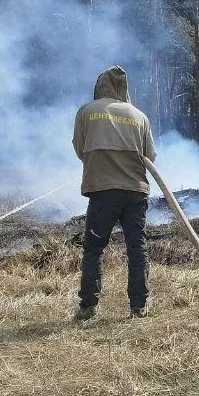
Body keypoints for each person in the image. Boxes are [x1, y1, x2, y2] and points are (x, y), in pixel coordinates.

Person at [72, 66, 157, 321]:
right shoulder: (139, 116)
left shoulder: (87, 111)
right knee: (137, 248)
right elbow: (150, 156)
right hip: (135, 192)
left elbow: (80, 147)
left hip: (102, 191)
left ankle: (88, 307)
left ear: (100, 86)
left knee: (94, 249)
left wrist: (100, 164)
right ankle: (139, 306)